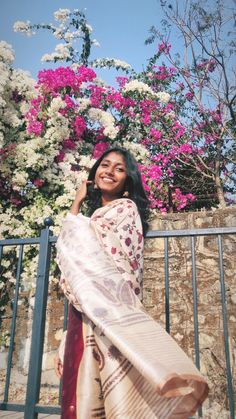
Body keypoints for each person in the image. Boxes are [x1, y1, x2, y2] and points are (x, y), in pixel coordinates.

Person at [55, 146, 208, 418]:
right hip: (86, 313)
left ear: (128, 180)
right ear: (95, 172)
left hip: (110, 316)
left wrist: (75, 208)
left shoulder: (125, 210)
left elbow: (83, 249)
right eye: (105, 165)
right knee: (79, 395)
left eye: (119, 168)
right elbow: (78, 264)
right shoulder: (94, 217)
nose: (110, 171)